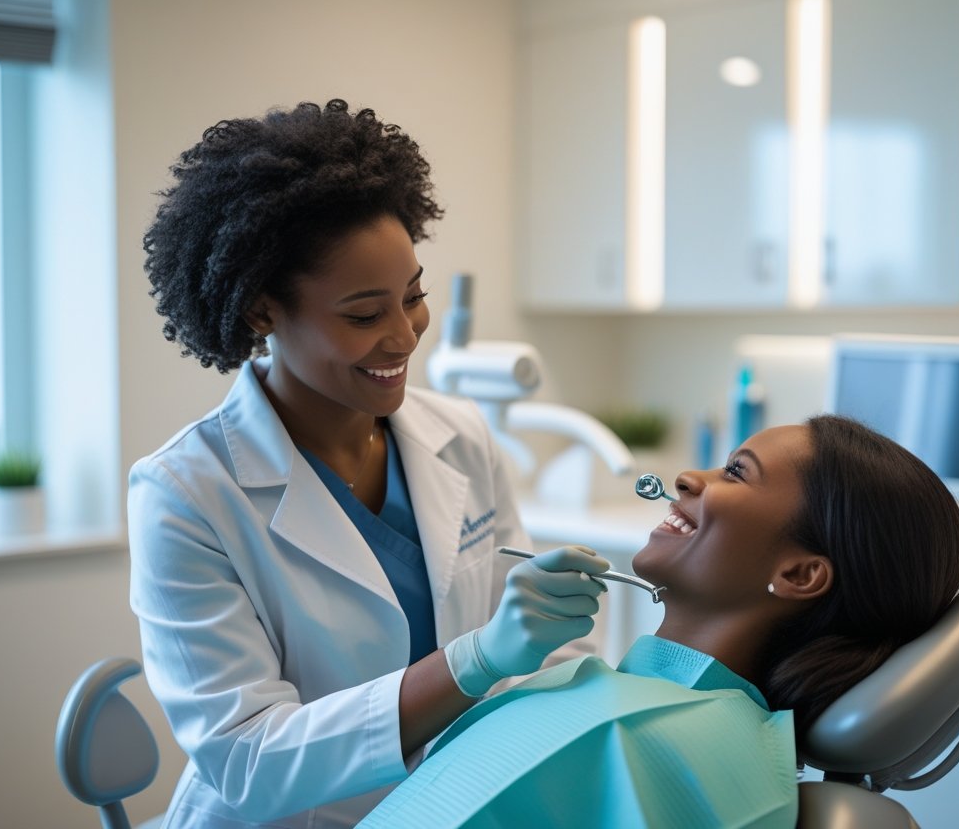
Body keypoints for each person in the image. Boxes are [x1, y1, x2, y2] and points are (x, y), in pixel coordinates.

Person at [128, 99, 611, 829]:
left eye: (414, 297)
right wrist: (476, 661)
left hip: (453, 808)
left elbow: (539, 651)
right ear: (261, 311)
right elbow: (250, 761)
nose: (405, 337)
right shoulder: (186, 494)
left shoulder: (459, 435)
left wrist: (558, 645)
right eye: (363, 315)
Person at [359, 415, 959, 828]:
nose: (686, 478)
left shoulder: (644, 736)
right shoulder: (642, 707)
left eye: (737, 472)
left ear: (799, 575)